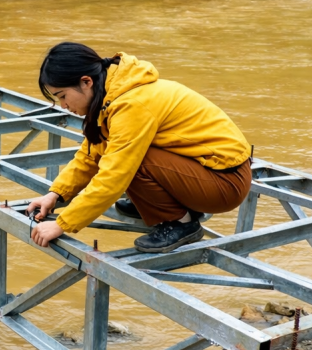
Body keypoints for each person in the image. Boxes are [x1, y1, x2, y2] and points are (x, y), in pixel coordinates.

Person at [26, 42, 252, 254]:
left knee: (130, 160)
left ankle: (182, 224)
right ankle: (155, 204)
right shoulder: (112, 96)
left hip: (225, 182)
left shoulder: (131, 103)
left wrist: (62, 224)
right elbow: (90, 155)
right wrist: (55, 195)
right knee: (123, 154)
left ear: (86, 82)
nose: (64, 106)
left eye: (63, 96)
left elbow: (114, 176)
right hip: (203, 170)